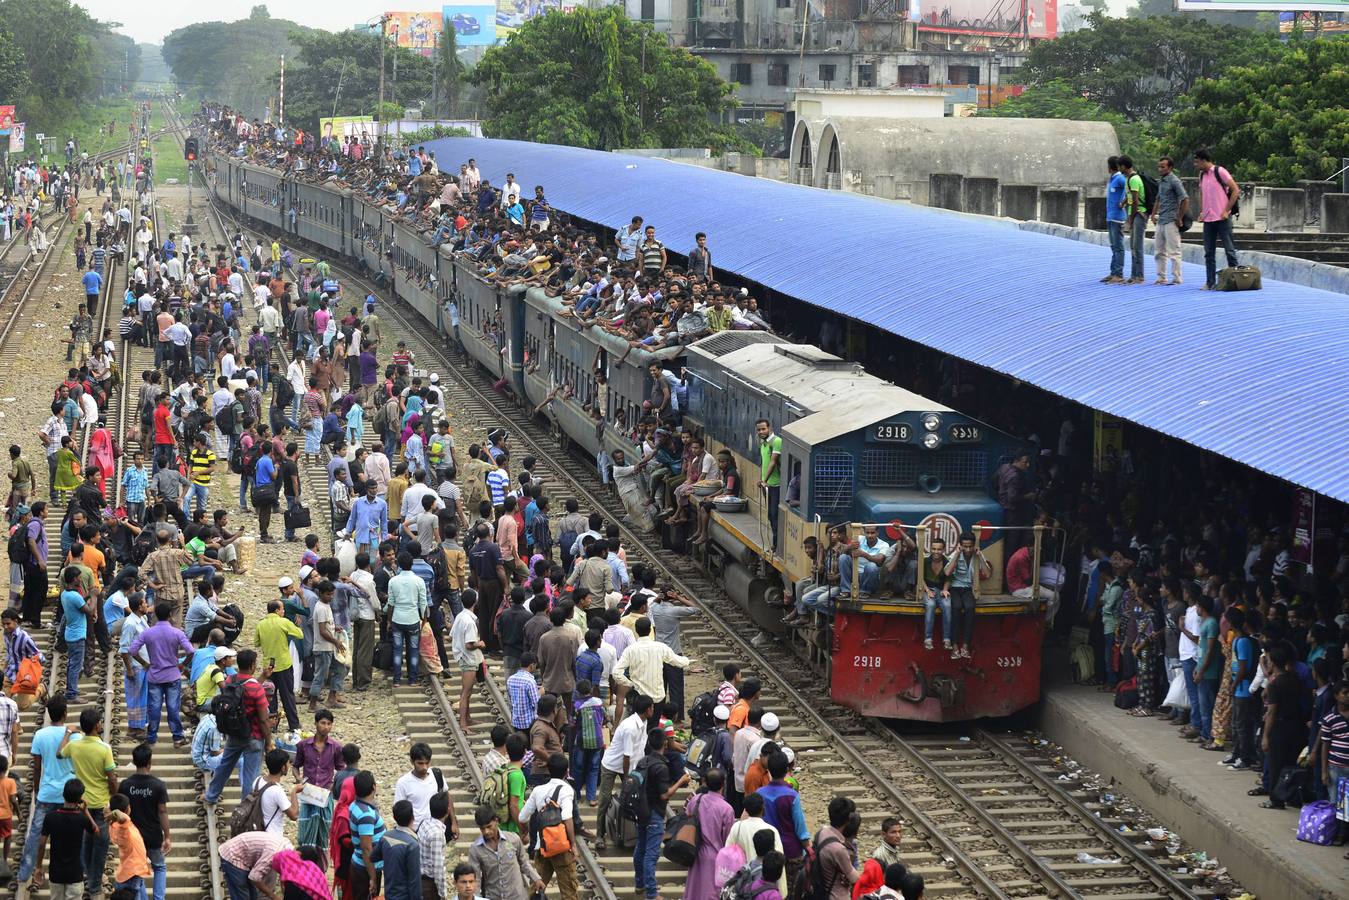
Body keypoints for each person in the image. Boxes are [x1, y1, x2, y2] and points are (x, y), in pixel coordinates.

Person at [58, 707, 118, 898]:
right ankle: (94, 888)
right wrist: (114, 799)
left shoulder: (74, 746)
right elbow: (112, 778)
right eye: (100, 722)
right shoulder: (104, 749)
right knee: (100, 847)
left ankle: (86, 878)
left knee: (84, 843)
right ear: (96, 725)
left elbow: (60, 753)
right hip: (100, 804)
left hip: (81, 804)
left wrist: (68, 732)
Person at [204, 649, 271, 806]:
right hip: (253, 737)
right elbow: (263, 719)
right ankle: (246, 807)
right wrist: (269, 742)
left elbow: (242, 691)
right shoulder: (257, 689)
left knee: (225, 766)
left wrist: (262, 677)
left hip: (234, 733)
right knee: (251, 776)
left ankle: (211, 796)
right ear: (253, 665)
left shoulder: (229, 680)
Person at [127, 601, 195, 748]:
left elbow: (132, 651)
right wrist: (183, 665)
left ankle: (151, 738)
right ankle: (177, 738)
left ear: (156, 615)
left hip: (155, 676)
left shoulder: (148, 633)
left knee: (154, 708)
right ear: (170, 615)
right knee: (172, 707)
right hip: (172, 676)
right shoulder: (177, 633)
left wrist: (145, 663)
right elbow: (191, 651)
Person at [635, 729, 689, 900]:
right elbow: (664, 795)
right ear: (665, 743)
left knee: (640, 848)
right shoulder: (661, 767)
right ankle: (651, 893)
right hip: (654, 813)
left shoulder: (643, 761)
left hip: (641, 810)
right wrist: (681, 781)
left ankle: (640, 884)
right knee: (651, 853)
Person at [519, 752, 579, 900]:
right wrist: (573, 844)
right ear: (566, 771)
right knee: (569, 891)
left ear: (548, 770)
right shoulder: (567, 789)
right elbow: (567, 817)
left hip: (543, 846)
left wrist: (526, 832)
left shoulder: (538, 790)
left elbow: (522, 817)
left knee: (537, 886)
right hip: (562, 847)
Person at [117, 743, 171, 900]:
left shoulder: (126, 785)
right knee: (159, 867)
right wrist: (167, 836)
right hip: (153, 836)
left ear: (134, 762)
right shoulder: (158, 785)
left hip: (133, 838)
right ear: (149, 762)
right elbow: (162, 811)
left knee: (136, 871)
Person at [33, 778, 99, 900]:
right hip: (75, 874)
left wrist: (38, 866)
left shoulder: (51, 817)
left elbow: (42, 843)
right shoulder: (81, 819)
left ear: (63, 795)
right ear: (80, 798)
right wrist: (86, 812)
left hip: (56, 873)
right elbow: (96, 831)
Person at [294, 709, 344, 852]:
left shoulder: (336, 747)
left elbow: (341, 769)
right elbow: (296, 766)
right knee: (305, 830)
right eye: (323, 723)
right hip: (308, 794)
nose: (326, 727)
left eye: (329, 724)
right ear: (315, 724)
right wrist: (299, 780)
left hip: (325, 795)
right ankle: (305, 862)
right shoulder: (303, 745)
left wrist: (333, 785)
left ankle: (320, 867)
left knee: (324, 832)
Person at [469, 804, 543, 900]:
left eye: (489, 827)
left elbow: (524, 863)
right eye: (482, 829)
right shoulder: (476, 849)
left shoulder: (513, 840)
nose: (486, 831)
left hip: (517, 896)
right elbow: (476, 879)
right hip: (493, 896)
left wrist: (536, 878)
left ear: (496, 821)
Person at [684, 768, 735, 900]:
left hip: (694, 850)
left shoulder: (695, 800)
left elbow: (688, 818)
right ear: (723, 783)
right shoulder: (726, 809)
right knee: (711, 893)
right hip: (715, 855)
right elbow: (727, 837)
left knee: (694, 890)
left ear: (705, 782)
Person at [1193, 148, 1240, 291]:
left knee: (1229, 250)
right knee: (1209, 252)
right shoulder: (1202, 176)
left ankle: (1236, 279)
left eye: (1197, 162)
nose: (1196, 165)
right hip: (1208, 219)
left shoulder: (1220, 171)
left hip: (1222, 218)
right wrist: (1202, 211)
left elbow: (1235, 190)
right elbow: (1202, 193)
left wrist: (1226, 210)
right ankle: (1210, 281)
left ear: (1202, 160)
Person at [942, 532, 990, 661]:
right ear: (961, 545)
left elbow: (987, 573)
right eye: (965, 546)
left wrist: (980, 557)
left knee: (970, 608)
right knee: (956, 608)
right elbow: (947, 572)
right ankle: (955, 646)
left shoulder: (977, 555)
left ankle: (965, 646)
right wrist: (957, 555)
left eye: (970, 546)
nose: (968, 549)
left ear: (974, 546)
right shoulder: (956, 554)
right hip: (955, 588)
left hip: (969, 588)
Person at [218, 830, 289, 900]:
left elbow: (284, 879)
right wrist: (273, 896)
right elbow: (254, 877)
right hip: (233, 855)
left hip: (245, 854)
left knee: (253, 895)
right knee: (242, 894)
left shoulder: (289, 847)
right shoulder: (272, 855)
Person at [108, 793, 154, 900]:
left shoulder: (114, 825)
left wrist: (113, 811)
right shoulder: (122, 827)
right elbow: (124, 818)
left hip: (134, 872)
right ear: (127, 809)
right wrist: (116, 812)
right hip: (132, 874)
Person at [1151, 156, 1189, 286]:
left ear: (1170, 167)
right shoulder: (1162, 181)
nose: (1160, 169)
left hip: (1171, 220)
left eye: (1163, 166)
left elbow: (1185, 199)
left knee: (1174, 250)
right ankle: (1161, 277)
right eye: (1159, 166)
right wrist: (1153, 213)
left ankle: (1177, 277)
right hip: (1161, 219)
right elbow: (1158, 198)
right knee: (1159, 250)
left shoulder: (1174, 181)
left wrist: (1179, 217)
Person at [452, 589, 487, 727]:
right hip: (469, 659)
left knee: (467, 691)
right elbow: (469, 645)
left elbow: (452, 633)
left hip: (462, 657)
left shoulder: (460, 616)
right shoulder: (470, 622)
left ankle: (467, 718)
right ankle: (463, 723)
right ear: (475, 602)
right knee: (466, 692)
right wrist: (481, 644)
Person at [379, 800, 422, 900]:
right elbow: (414, 881)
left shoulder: (386, 837)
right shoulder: (412, 845)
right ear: (413, 817)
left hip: (389, 894)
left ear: (394, 817)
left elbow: (373, 857)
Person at [1118, 156, 1147, 285]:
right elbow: (1129, 197)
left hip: (1139, 215)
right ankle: (1134, 275)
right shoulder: (1128, 179)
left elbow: (1135, 200)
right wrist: (1123, 203)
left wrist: (1131, 218)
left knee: (1137, 246)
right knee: (1133, 246)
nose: (1119, 169)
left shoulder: (1134, 179)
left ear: (1124, 166)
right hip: (1133, 214)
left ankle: (1139, 276)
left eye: (1120, 166)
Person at [754, 419, 782, 550]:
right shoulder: (763, 444)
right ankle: (775, 542)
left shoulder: (776, 441)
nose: (761, 432)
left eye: (763, 429)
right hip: (767, 486)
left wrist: (765, 480)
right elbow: (763, 464)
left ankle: (776, 544)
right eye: (759, 430)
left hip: (775, 485)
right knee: (770, 515)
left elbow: (773, 462)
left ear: (769, 428)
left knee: (775, 515)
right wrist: (761, 479)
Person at [1102, 156, 1126, 284]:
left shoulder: (1120, 179)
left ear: (1110, 167)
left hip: (1117, 217)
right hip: (1110, 216)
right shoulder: (1112, 179)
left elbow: (1129, 190)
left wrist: (1122, 203)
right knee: (1113, 246)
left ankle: (1119, 273)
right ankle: (1113, 272)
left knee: (1118, 246)